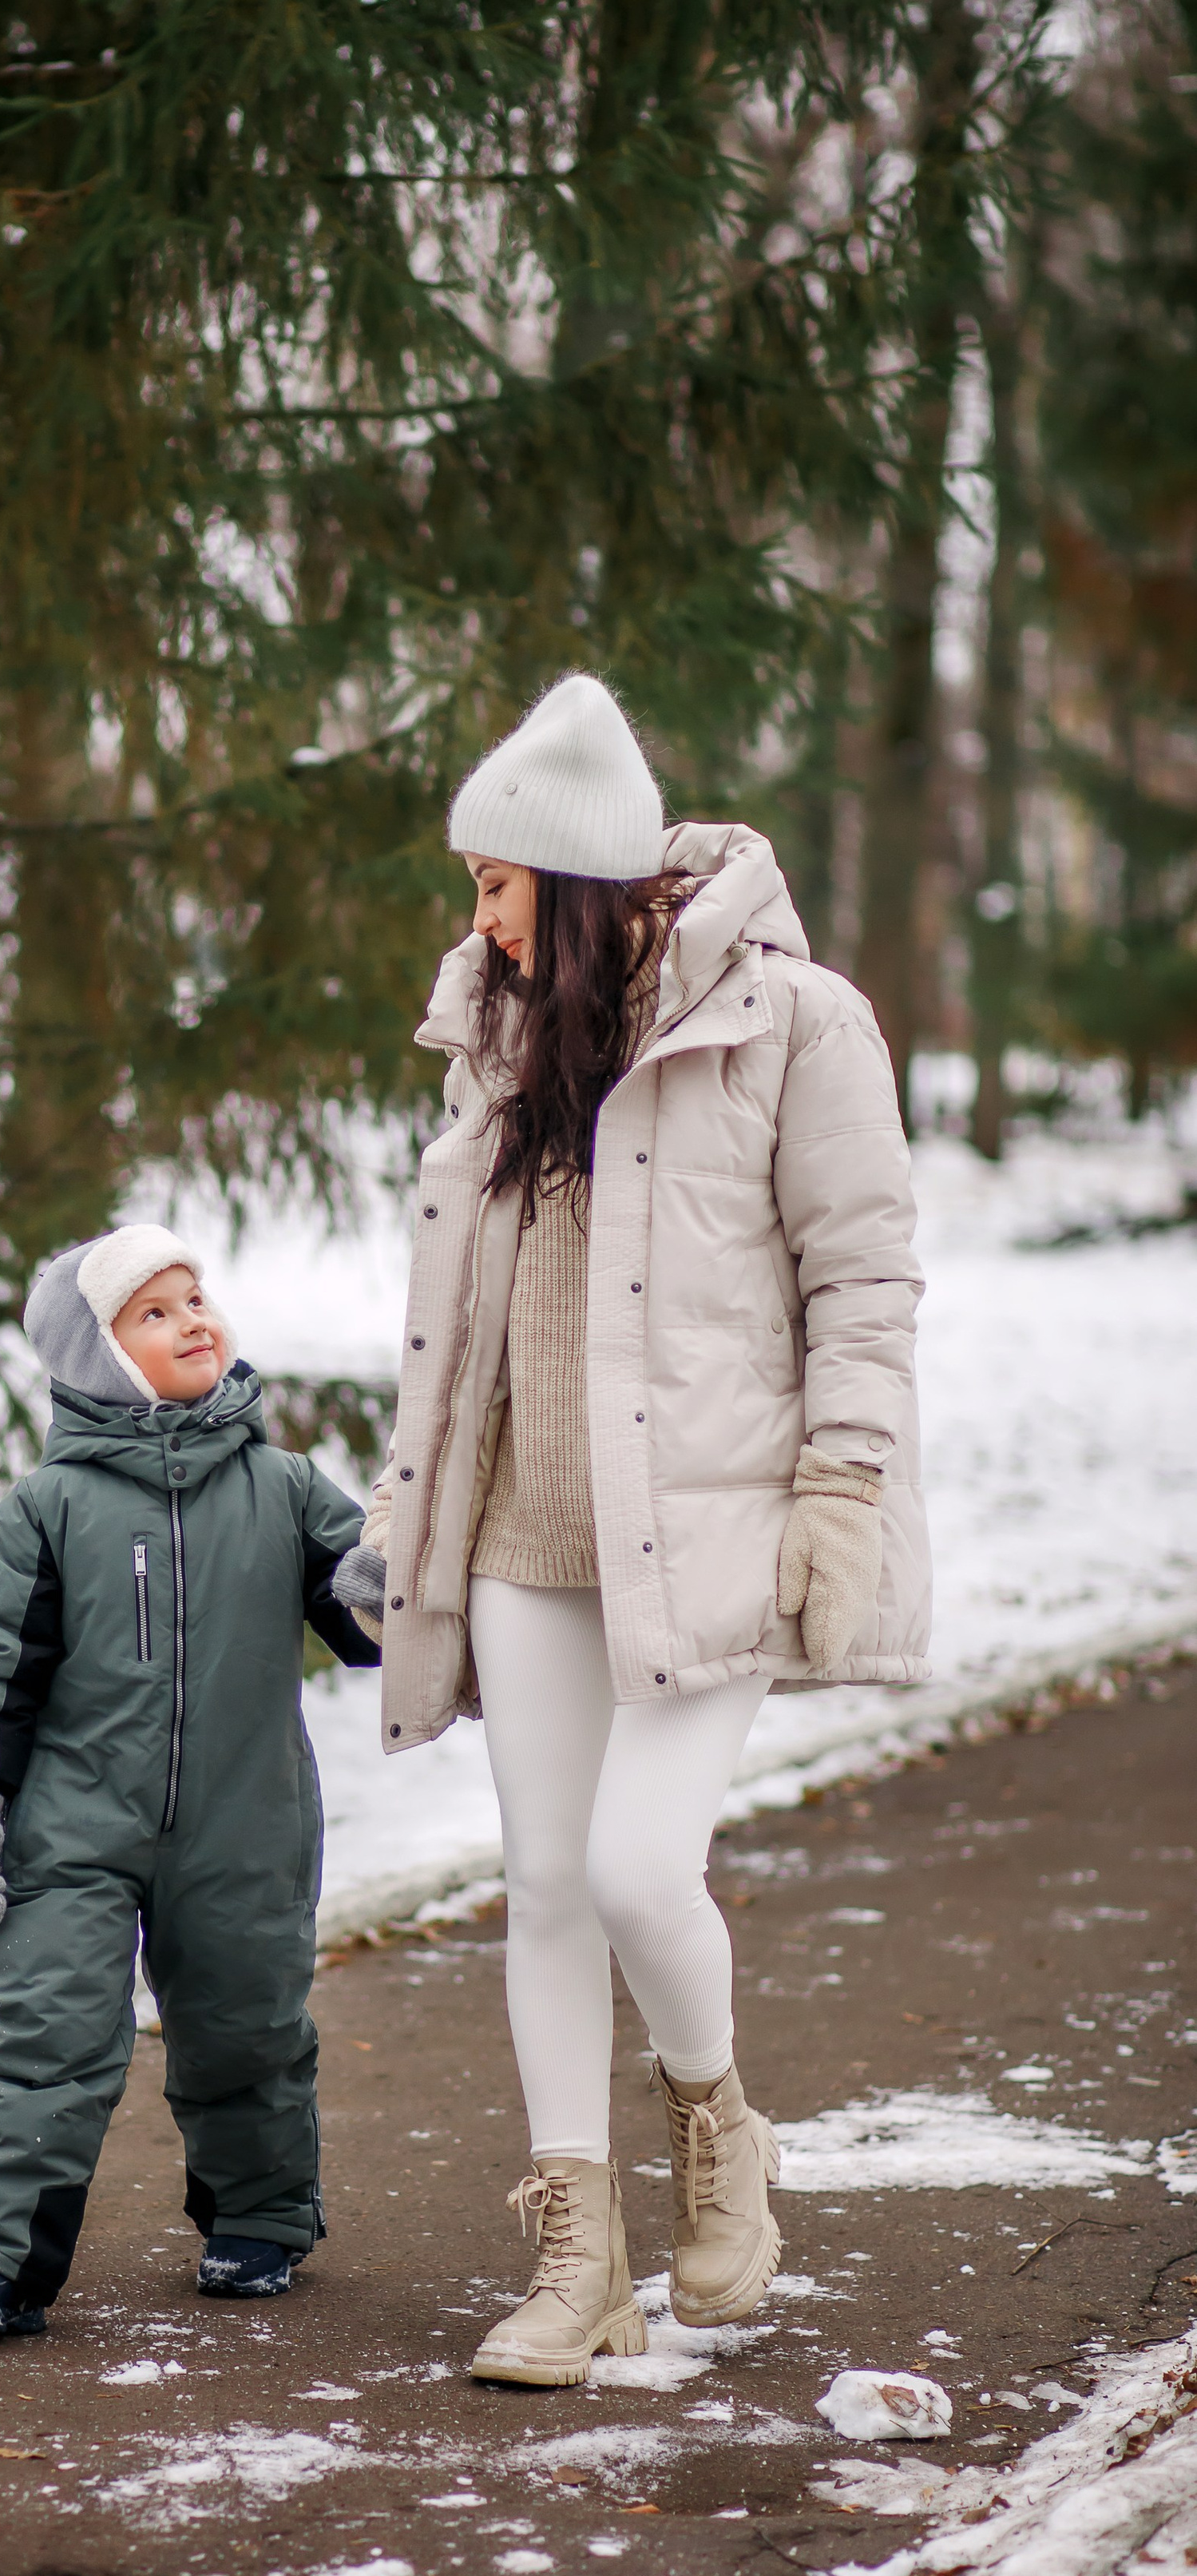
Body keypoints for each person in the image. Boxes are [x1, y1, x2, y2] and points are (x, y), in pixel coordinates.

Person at [331, 676, 929, 2389]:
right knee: (537, 1887)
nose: (477, 920)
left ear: (574, 882)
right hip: (523, 1530)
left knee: (631, 1868)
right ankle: (575, 2258)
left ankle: (714, 2125)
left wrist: (838, 1495)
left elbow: (862, 1280)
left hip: (713, 1530)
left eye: (496, 886)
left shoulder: (798, 1024)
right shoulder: (503, 1042)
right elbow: (452, 1319)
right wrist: (407, 1503)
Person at [0, 1224, 380, 2342]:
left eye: (196, 1297)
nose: (193, 1321)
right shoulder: (44, 1512)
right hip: (70, 1828)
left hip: (244, 1823)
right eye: (155, 1312)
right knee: (42, 2033)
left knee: (246, 2022)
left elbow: (366, 1632)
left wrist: (383, 1580)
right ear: (101, 1357)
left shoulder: (286, 1488)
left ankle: (260, 2217)